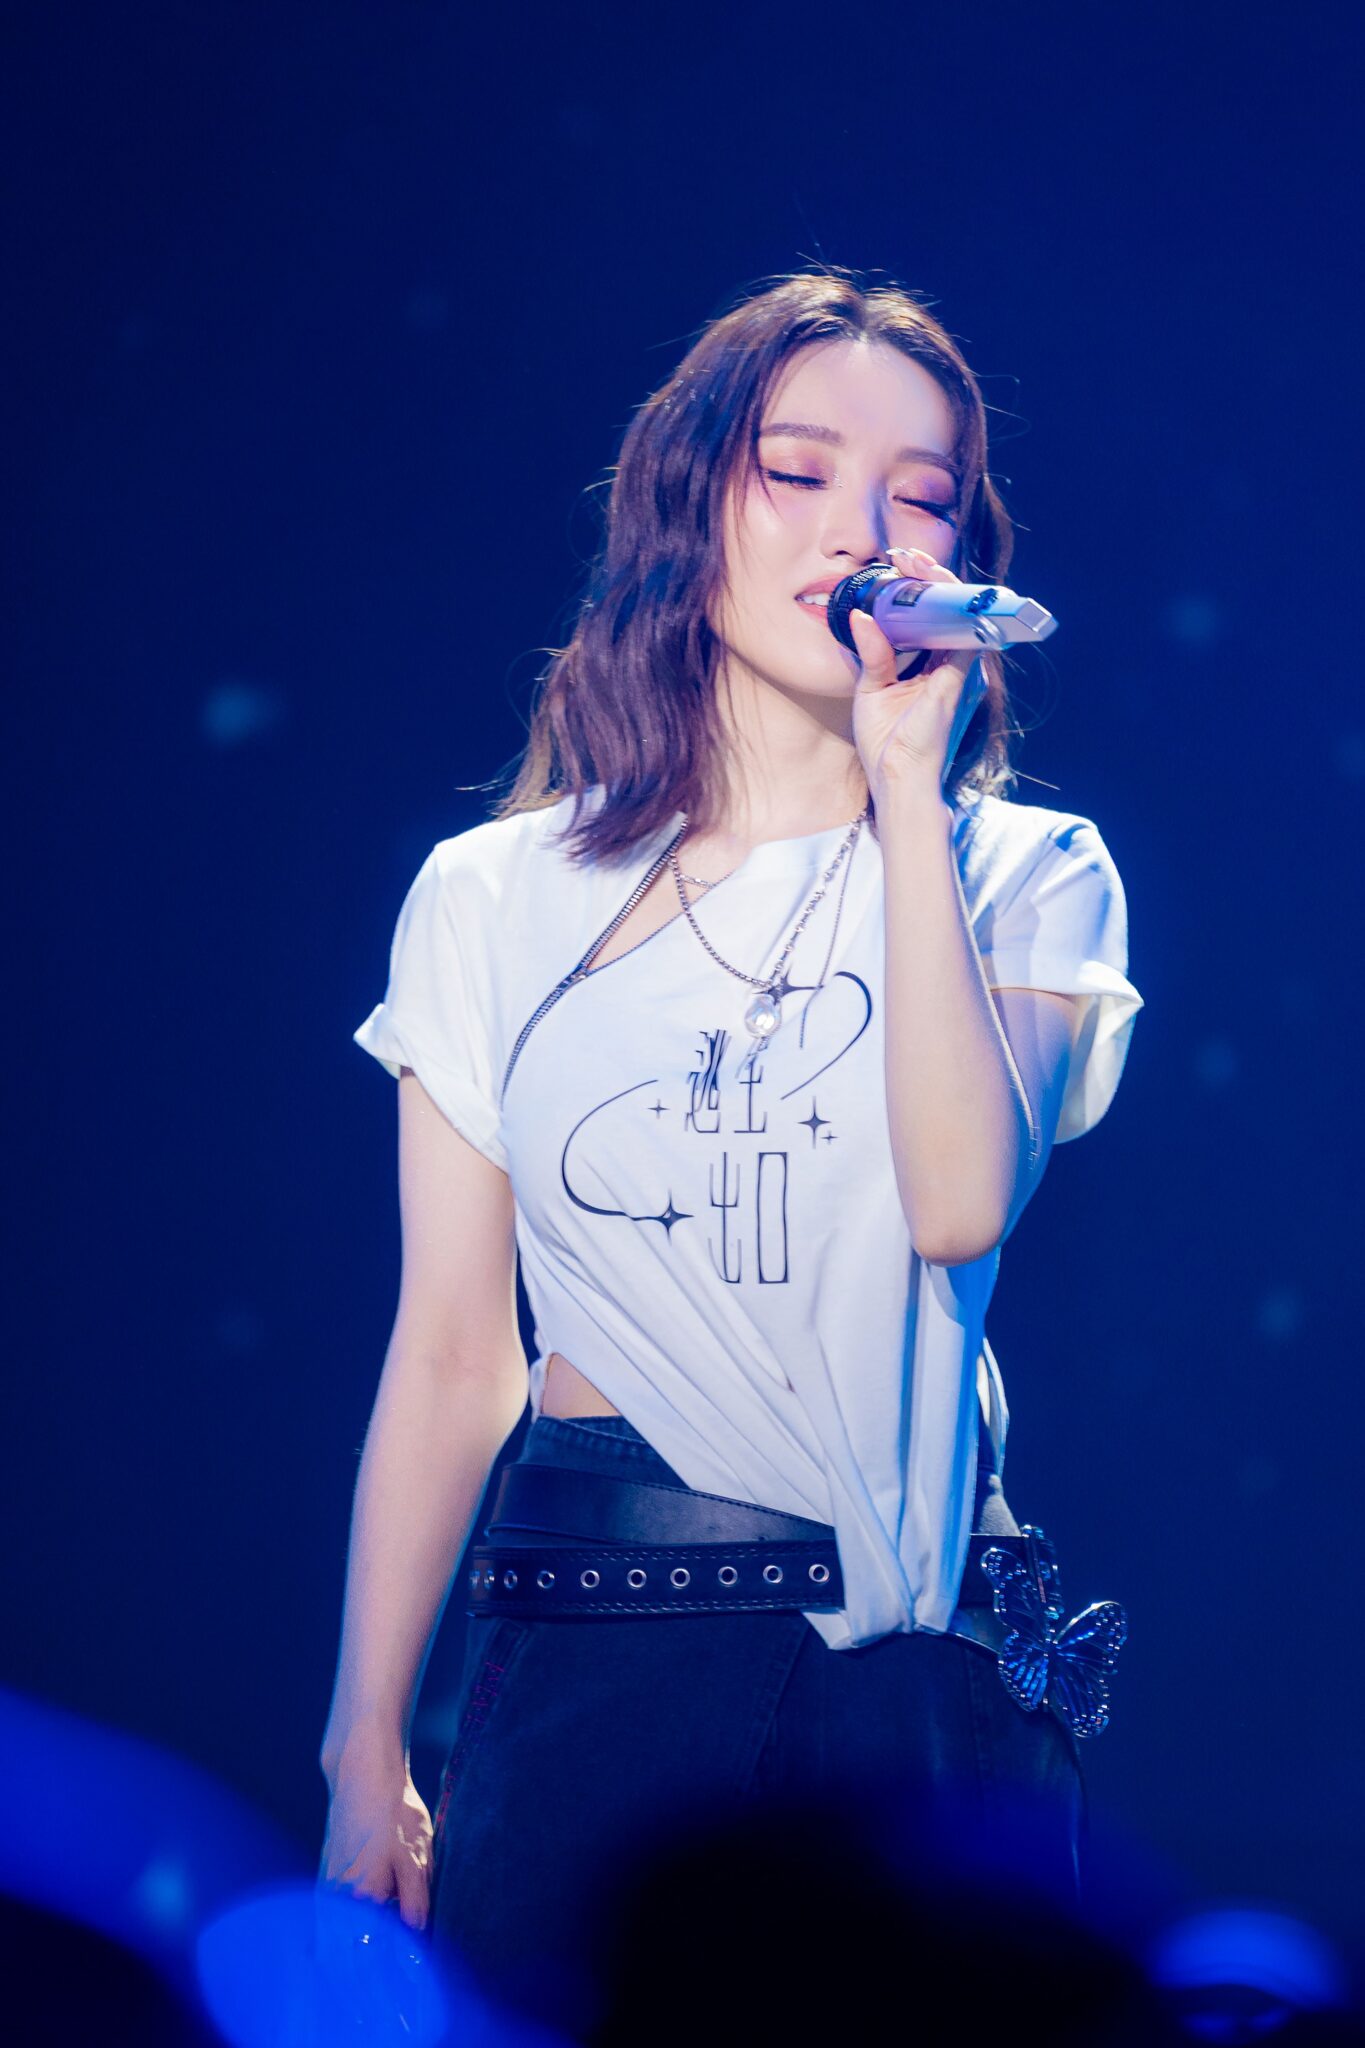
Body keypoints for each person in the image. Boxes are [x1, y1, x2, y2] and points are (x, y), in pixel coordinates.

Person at [317, 267, 1144, 2038]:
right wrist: (364, 1738)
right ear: (690, 502)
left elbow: (956, 1205)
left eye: (920, 494)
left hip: (908, 1686)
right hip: (596, 1647)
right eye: (799, 469)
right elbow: (456, 1348)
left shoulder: (1026, 872)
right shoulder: (494, 897)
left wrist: (905, 789)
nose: (863, 530)